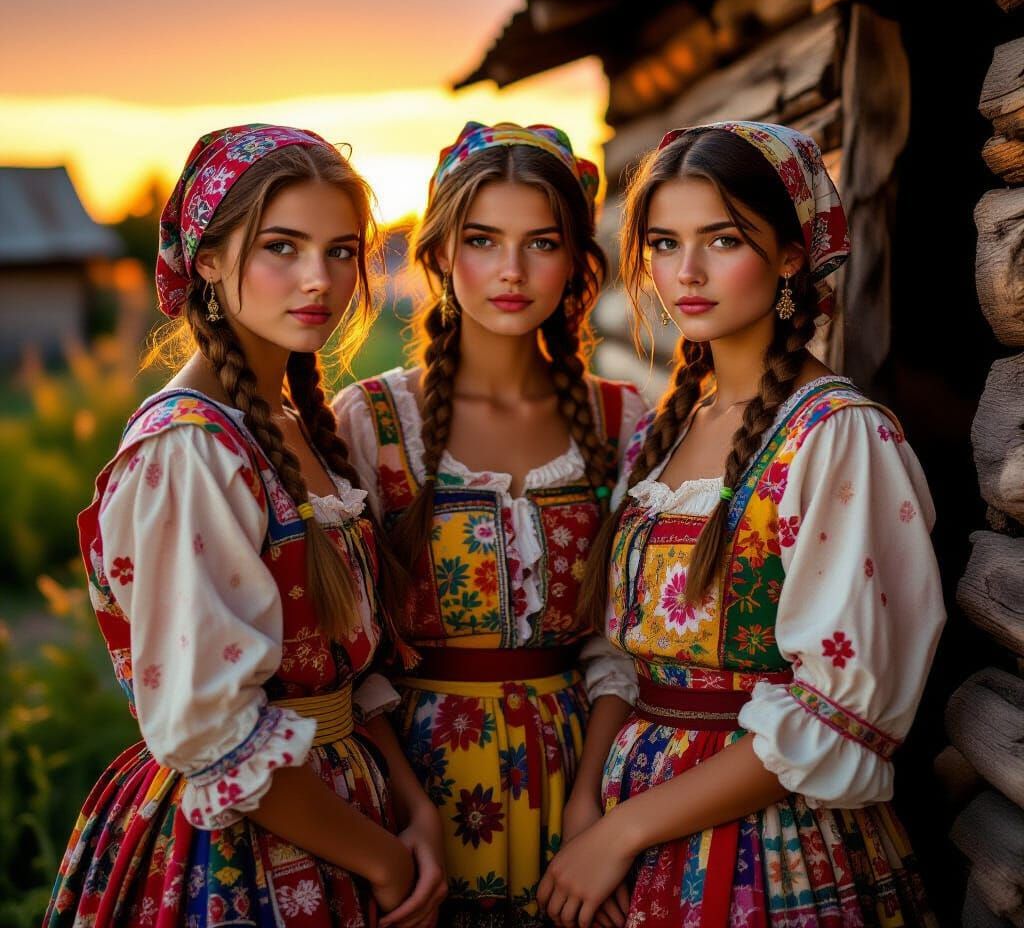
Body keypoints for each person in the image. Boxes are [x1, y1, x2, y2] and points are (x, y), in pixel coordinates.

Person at [537, 121, 945, 928]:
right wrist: (593, 806)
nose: (685, 272)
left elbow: (842, 707)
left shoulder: (837, 437)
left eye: (722, 240)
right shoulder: (671, 426)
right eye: (663, 242)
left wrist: (625, 829)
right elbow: (624, 652)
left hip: (772, 846)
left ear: (792, 254)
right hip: (633, 831)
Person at [46, 124, 446, 928]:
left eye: (340, 251)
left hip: (354, 806)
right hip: (252, 842)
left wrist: (415, 812)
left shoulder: (297, 426)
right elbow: (210, 730)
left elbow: (343, 675)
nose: (320, 281)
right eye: (282, 247)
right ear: (209, 262)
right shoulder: (189, 451)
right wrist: (384, 860)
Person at [333, 122, 644, 927]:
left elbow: (619, 640)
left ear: (577, 260)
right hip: (416, 787)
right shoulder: (374, 421)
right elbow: (348, 650)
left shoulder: (621, 420)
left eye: (541, 242)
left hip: (581, 775)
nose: (511, 271)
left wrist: (589, 803)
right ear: (438, 254)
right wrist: (411, 807)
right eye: (482, 239)